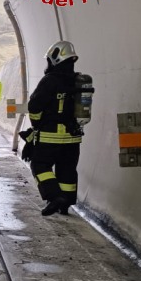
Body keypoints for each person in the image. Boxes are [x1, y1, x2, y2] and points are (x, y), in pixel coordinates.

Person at [27, 41, 84, 216]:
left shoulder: (50, 81)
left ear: (56, 59)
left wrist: (36, 125)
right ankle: (65, 204)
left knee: (40, 164)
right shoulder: (78, 81)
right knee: (67, 169)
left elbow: (34, 106)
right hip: (74, 136)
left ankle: (54, 196)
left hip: (50, 135)